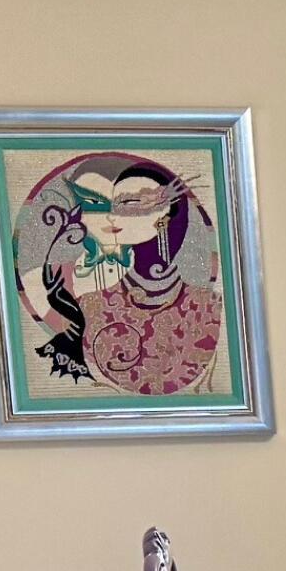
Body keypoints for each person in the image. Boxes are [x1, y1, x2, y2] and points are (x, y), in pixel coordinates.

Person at [30, 154, 222, 397]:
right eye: (110, 204)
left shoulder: (207, 305)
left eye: (129, 202)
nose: (112, 215)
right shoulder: (91, 306)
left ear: (166, 213)